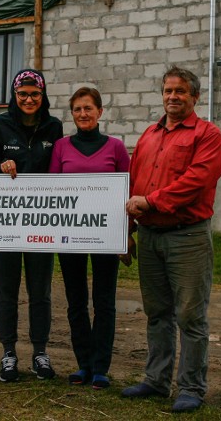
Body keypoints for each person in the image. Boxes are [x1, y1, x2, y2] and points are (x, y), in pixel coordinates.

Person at [121, 66, 221, 413]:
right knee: (157, 313)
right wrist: (129, 231)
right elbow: (135, 183)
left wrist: (151, 202)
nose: (172, 97)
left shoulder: (207, 135)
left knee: (190, 316)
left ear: (194, 96)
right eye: (168, 91)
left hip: (188, 237)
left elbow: (197, 180)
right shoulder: (150, 136)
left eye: (180, 91)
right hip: (150, 236)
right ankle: (156, 380)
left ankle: (192, 387)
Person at [0, 68, 63, 382]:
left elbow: (59, 168)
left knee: (40, 291)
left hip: (41, 222)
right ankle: (9, 353)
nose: (29, 99)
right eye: (23, 94)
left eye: (35, 94)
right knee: (6, 290)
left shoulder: (53, 127)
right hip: (5, 223)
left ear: (43, 97)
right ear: (14, 96)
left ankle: (40, 353)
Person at [49, 87, 130, 390]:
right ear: (72, 114)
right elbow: (52, 192)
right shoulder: (61, 147)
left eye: (88, 108)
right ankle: (82, 363)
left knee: (104, 301)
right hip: (70, 234)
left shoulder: (116, 147)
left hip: (105, 235)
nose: (83, 114)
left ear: (100, 112)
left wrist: (126, 235)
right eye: (77, 110)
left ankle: (100, 367)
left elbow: (127, 193)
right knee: (76, 301)